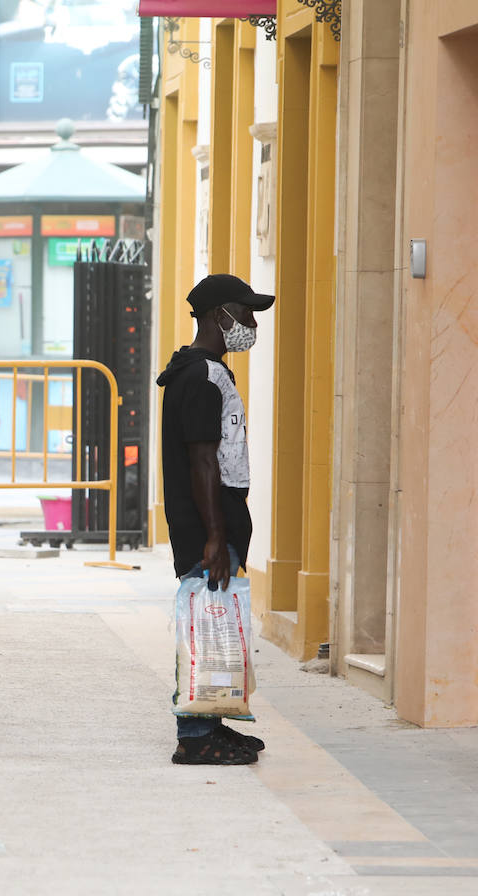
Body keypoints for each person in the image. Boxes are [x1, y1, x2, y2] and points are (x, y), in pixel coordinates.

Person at [156, 273, 273, 765]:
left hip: (212, 523)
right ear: (218, 316)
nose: (250, 323)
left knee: (213, 622)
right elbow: (203, 460)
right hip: (206, 525)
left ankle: (212, 722)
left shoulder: (206, 371)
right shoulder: (201, 377)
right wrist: (214, 536)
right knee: (203, 626)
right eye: (244, 313)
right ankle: (195, 737)